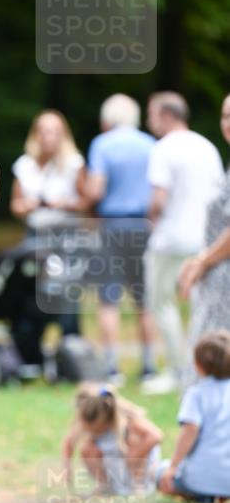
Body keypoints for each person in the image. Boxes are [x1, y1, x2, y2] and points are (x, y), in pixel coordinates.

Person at [142, 91, 225, 394]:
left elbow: (158, 200)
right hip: (205, 240)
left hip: (169, 240)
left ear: (166, 115)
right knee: (200, 307)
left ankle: (179, 369)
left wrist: (149, 222)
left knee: (162, 302)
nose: (149, 120)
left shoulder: (163, 148)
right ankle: (207, 366)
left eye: (151, 114)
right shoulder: (207, 147)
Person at [84, 94, 157, 385]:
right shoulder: (150, 145)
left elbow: (96, 190)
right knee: (145, 299)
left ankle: (112, 367)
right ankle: (150, 368)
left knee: (108, 298)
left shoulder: (102, 145)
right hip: (144, 225)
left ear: (107, 118)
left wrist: (87, 202)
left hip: (112, 225)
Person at [10, 109, 87, 344]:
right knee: (32, 289)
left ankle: (69, 342)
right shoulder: (24, 165)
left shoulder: (74, 164)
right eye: (44, 132)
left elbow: (86, 202)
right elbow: (15, 205)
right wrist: (27, 206)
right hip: (35, 236)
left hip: (66, 237)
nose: (49, 137)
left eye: (54, 132)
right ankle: (31, 343)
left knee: (66, 291)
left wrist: (63, 204)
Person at [178, 94, 230, 389]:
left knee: (214, 361)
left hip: (225, 278)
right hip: (218, 272)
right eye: (225, 115)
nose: (228, 123)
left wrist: (202, 261)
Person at [157, 330, 230, 503]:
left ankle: (202, 494)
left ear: (198, 365)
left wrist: (173, 466)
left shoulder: (197, 394)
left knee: (159, 471)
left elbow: (190, 430)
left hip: (201, 478)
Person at [63, 383, 163, 495]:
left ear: (106, 419)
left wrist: (136, 453)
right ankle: (106, 486)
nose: (93, 432)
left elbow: (156, 435)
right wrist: (67, 467)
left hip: (141, 467)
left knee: (134, 440)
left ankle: (138, 487)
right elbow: (69, 442)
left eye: (97, 429)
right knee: (87, 448)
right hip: (116, 464)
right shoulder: (86, 419)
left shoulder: (127, 418)